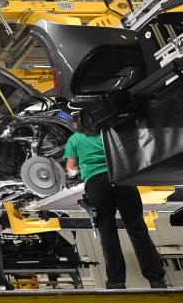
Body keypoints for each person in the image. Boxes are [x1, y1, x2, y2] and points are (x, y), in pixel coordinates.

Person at [64, 114, 167, 289]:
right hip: (122, 178)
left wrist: (76, 171)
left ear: (77, 123)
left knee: (107, 231)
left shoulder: (74, 139)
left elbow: (71, 168)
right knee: (137, 227)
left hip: (97, 183)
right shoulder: (108, 132)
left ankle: (116, 280)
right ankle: (156, 278)